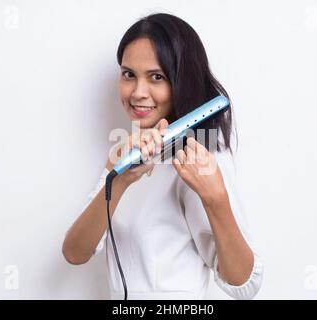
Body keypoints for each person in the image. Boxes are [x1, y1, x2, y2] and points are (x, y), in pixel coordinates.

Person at [62, 13, 263, 300]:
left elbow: (245, 286)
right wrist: (119, 181)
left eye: (156, 77)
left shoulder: (200, 162)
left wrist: (215, 199)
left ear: (183, 81)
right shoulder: (122, 155)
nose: (138, 93)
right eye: (129, 74)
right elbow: (75, 253)